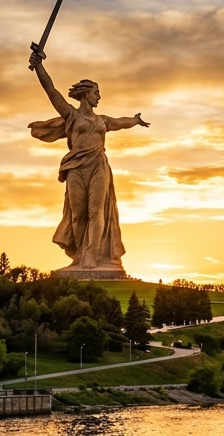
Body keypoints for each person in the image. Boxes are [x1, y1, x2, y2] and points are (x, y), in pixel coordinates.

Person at [27, 45, 148, 274]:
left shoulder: (102, 121)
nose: (99, 96)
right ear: (85, 94)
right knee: (78, 214)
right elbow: (52, 91)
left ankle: (91, 257)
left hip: (98, 167)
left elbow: (120, 122)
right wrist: (40, 65)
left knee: (96, 212)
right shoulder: (71, 115)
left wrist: (135, 120)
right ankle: (79, 256)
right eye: (96, 93)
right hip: (76, 168)